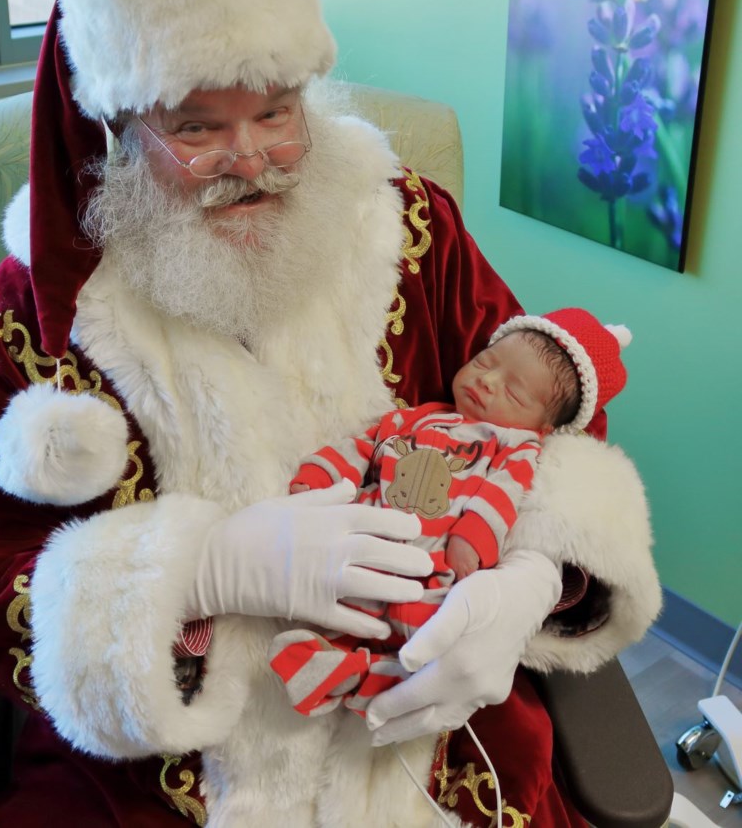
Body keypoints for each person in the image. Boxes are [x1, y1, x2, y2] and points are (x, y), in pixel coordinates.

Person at [0, 0, 662, 827]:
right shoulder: (24, 327)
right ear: (118, 129)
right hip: (172, 779)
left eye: (276, 110)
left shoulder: (410, 232)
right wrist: (200, 570)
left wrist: (533, 579)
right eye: (196, 128)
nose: (252, 159)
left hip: (430, 729)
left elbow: (553, 407)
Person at [270, 308, 632, 720]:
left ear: (543, 427)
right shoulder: (419, 417)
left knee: (421, 644)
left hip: (434, 568)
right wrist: (320, 475)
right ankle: (332, 660)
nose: (487, 381)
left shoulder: (516, 446)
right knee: (337, 600)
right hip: (364, 540)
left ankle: (360, 676)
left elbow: (503, 491)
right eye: (485, 362)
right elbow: (364, 446)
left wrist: (473, 536)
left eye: (513, 393)